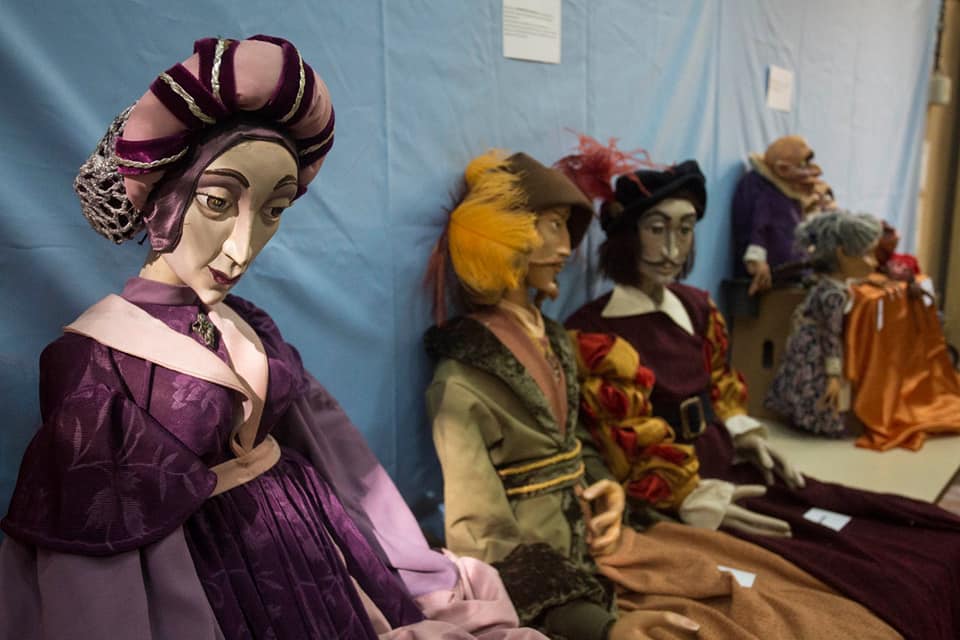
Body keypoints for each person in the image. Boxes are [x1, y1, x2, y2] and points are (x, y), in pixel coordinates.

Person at [0, 36, 544, 640]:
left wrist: (397, 557)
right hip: (214, 585)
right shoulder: (93, 360)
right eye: (217, 201)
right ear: (161, 197)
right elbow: (93, 555)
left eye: (274, 209)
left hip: (320, 551)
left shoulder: (250, 322)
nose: (243, 247)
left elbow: (336, 452)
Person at [425, 150, 901, 640]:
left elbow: (577, 442)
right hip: (559, 572)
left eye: (686, 229)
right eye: (552, 226)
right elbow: (482, 533)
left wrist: (609, 487)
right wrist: (596, 624)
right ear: (500, 237)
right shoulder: (467, 378)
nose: (567, 247)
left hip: (618, 526)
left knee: (818, 591)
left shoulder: (557, 338)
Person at [562, 153, 960, 640]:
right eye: (657, 229)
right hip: (674, 491)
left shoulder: (697, 305)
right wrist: (688, 496)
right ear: (627, 234)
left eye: (685, 230)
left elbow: (721, 384)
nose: (671, 249)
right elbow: (624, 437)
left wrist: (746, 435)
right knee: (830, 581)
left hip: (733, 464)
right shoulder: (594, 332)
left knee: (895, 537)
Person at [764, 211, 881, 436]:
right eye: (867, 254)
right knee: (819, 389)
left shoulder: (827, 285)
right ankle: (819, 424)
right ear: (843, 254)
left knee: (803, 383)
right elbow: (831, 335)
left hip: (805, 342)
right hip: (816, 350)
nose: (874, 262)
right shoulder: (834, 296)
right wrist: (834, 375)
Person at [731, 135, 822, 294]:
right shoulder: (763, 190)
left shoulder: (788, 193)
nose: (811, 171)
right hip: (776, 281)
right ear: (782, 169)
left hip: (795, 276)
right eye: (802, 164)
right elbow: (757, 228)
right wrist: (757, 261)